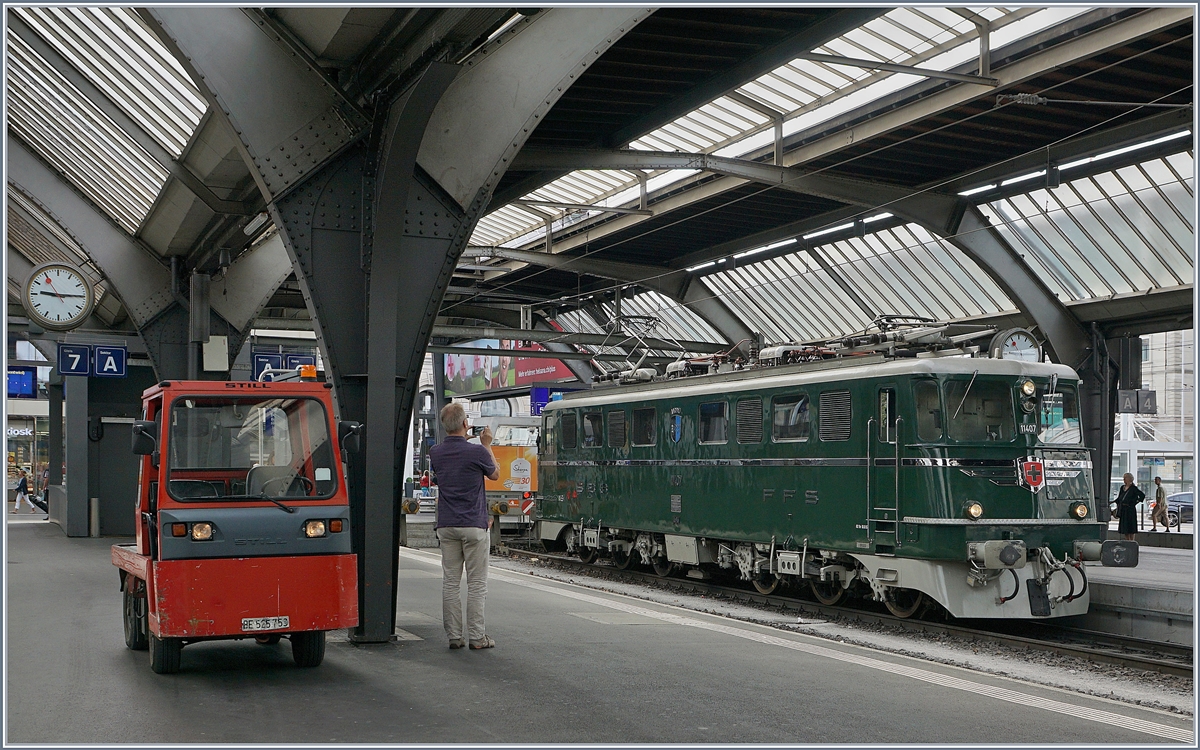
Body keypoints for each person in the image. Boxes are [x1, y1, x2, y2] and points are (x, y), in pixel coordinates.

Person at [429, 403, 499, 651]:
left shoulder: (435, 452)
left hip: (447, 525)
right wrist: (486, 445)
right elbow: (494, 475)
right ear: (465, 424)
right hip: (473, 525)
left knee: (450, 582)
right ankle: (477, 637)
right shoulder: (478, 452)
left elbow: (450, 466)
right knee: (477, 583)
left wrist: (463, 438)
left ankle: (454, 637)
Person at [1113, 472, 1143, 541]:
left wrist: (1135, 502)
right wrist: (1113, 502)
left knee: (1131, 526)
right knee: (1125, 527)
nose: (1123, 479)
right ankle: (1127, 541)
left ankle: (1132, 541)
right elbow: (1119, 498)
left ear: (1129, 479)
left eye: (1125, 478)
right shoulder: (1122, 488)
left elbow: (1142, 495)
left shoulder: (1134, 488)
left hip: (1130, 510)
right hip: (1123, 510)